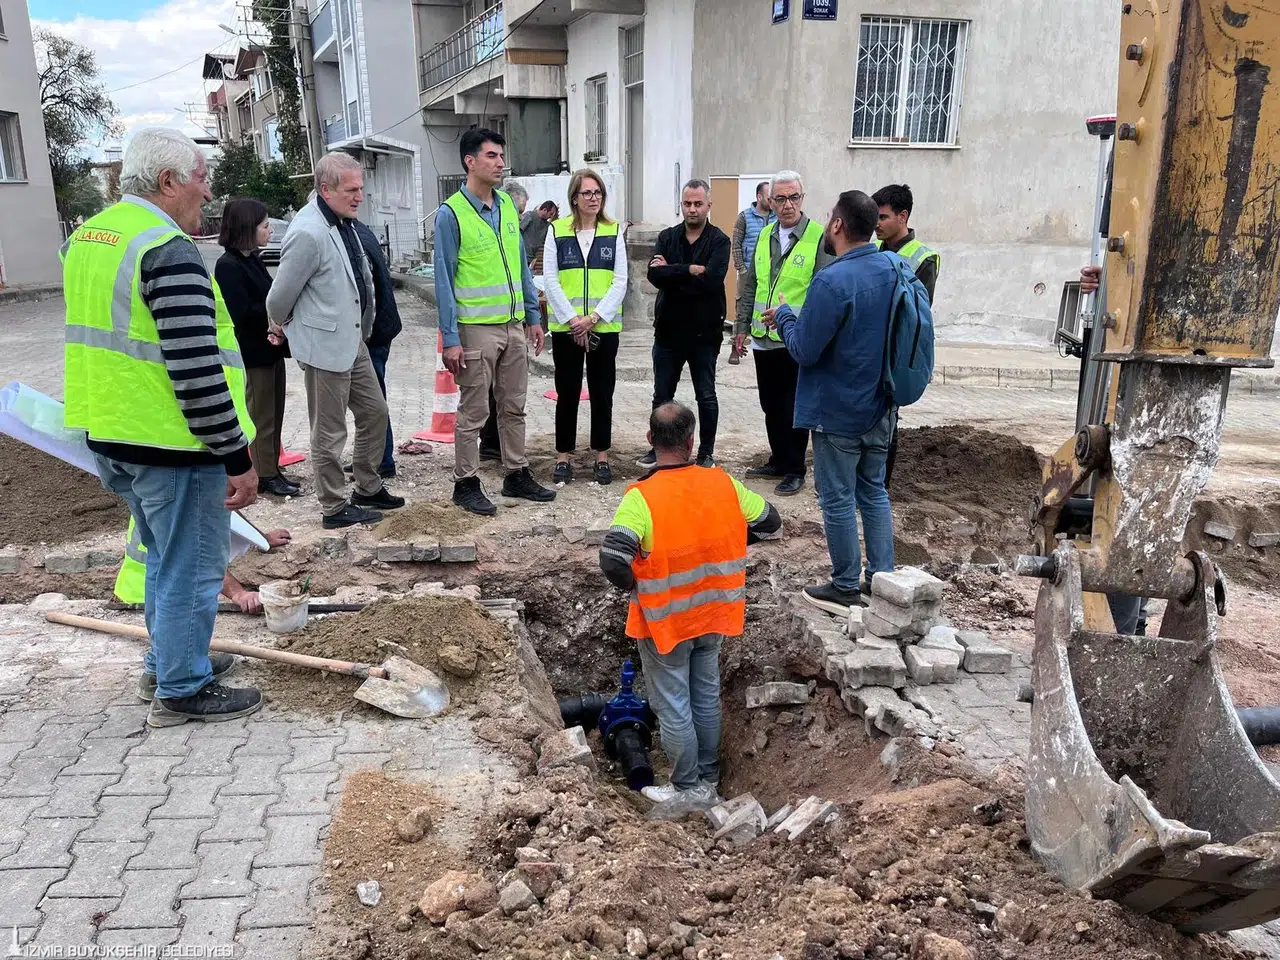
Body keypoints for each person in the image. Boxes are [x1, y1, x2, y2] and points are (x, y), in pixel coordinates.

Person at [62, 127, 262, 726]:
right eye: (201, 177)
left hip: (111, 431)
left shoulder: (91, 238)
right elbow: (197, 370)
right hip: (172, 442)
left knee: (161, 557)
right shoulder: (168, 250)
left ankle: (168, 659)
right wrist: (236, 456)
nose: (208, 191)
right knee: (192, 567)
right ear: (169, 181)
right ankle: (182, 688)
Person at [600, 402, 781, 803]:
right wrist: (736, 538)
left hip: (666, 620)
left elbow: (613, 559)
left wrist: (636, 584)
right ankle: (709, 779)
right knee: (704, 695)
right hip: (714, 611)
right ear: (691, 441)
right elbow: (770, 521)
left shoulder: (641, 497)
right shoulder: (724, 485)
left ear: (650, 440)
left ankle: (686, 789)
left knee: (674, 704)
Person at [766, 190, 899, 614]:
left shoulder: (833, 279)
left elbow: (805, 349)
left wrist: (785, 316)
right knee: (874, 492)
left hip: (839, 411)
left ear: (839, 225)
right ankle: (882, 581)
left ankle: (844, 585)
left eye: (828, 218)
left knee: (837, 497)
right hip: (882, 404)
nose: (825, 224)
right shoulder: (894, 267)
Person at [267, 152, 404, 529]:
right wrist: (289, 328)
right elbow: (278, 299)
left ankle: (367, 486)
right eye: (351, 189)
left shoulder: (343, 222)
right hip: (325, 348)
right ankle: (332, 505)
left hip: (354, 341)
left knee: (375, 413)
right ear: (326, 190)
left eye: (361, 188)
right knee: (329, 432)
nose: (360, 196)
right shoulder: (308, 233)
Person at [434, 128, 555, 516]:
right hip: (476, 330)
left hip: (513, 326)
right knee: (474, 411)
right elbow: (443, 280)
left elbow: (521, 264)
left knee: (514, 405)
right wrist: (451, 339)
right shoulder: (451, 214)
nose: (501, 163)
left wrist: (533, 317)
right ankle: (465, 482)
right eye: (492, 156)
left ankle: (515, 473)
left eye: (501, 156)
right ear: (470, 162)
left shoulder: (505, 204)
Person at [734, 171, 834, 496]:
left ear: (802, 198)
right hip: (764, 337)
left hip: (795, 337)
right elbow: (750, 284)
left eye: (794, 197)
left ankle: (795, 468)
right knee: (770, 403)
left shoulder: (818, 237)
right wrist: (741, 327)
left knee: (793, 406)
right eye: (780, 198)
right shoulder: (765, 235)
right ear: (770, 201)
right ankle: (778, 459)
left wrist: (795, 320)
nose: (787, 204)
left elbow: (823, 290)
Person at [543, 169, 626, 485]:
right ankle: (563, 456)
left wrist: (593, 318)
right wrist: (572, 320)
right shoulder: (557, 231)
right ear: (574, 198)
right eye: (587, 193)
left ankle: (601, 455)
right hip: (567, 329)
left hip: (602, 328)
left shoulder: (613, 230)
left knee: (603, 393)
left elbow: (620, 281)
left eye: (598, 193)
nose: (593, 198)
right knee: (567, 393)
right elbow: (550, 279)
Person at [642, 179, 731, 469]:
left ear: (708, 205)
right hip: (668, 333)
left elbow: (712, 282)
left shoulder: (719, 241)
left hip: (704, 335)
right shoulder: (667, 237)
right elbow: (654, 276)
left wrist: (672, 273)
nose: (692, 209)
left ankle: (705, 452)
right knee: (662, 396)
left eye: (697, 204)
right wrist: (690, 270)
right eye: (687, 204)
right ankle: (659, 450)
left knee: (705, 395)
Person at [215, 198, 299, 498]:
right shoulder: (228, 265)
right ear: (246, 228)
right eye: (265, 226)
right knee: (261, 415)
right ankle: (264, 473)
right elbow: (242, 312)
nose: (270, 231)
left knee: (275, 412)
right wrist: (274, 319)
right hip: (254, 354)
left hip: (272, 349)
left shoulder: (253, 259)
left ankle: (272, 465)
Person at [115, 518, 291, 616]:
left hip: (128, 589)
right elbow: (200, 560)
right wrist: (239, 593)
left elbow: (226, 509)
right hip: (152, 603)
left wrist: (259, 538)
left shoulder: (159, 486)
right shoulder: (181, 507)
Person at [354, 219, 403, 479]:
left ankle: (380, 459)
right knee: (373, 399)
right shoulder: (360, 230)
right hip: (380, 328)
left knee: (371, 401)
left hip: (372, 334)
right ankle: (375, 456)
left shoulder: (353, 237)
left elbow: (365, 293)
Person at [871, 184, 939, 303]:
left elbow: (920, 310)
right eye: (875, 217)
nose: (876, 224)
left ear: (902, 216)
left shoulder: (925, 258)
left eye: (882, 217)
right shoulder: (872, 247)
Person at [521, 200, 560, 268]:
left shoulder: (547, 226)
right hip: (520, 255)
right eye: (550, 214)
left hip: (531, 258)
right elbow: (518, 231)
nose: (550, 217)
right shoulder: (530, 215)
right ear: (545, 210)